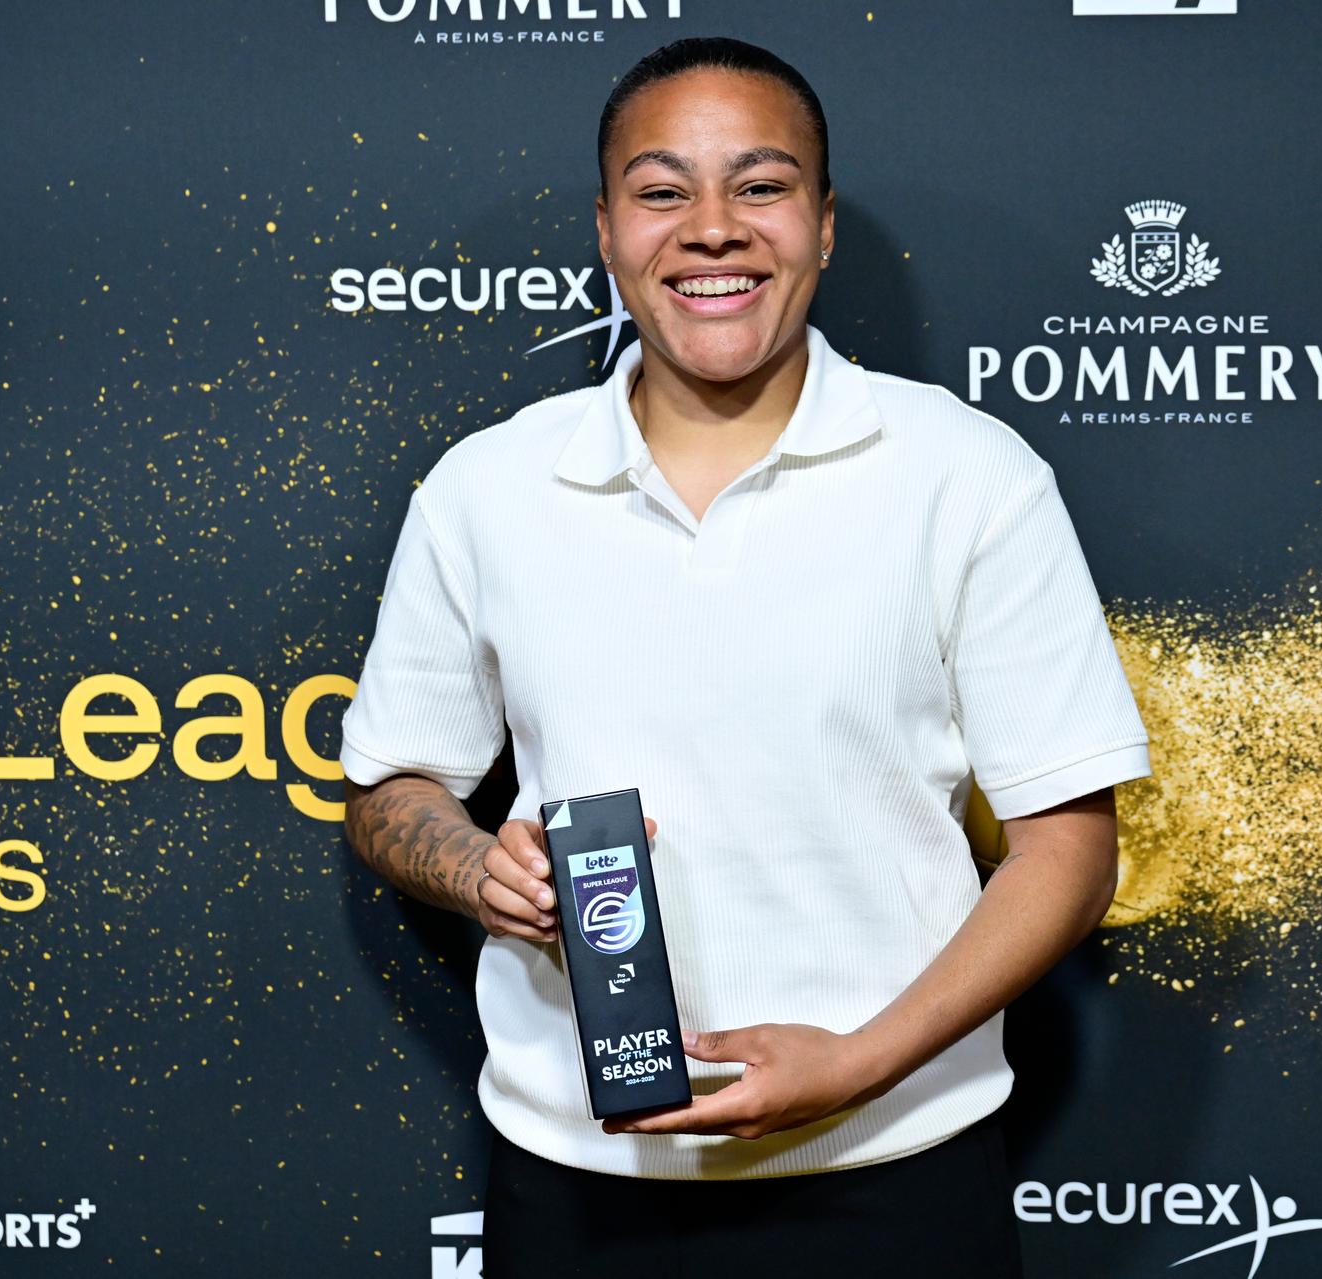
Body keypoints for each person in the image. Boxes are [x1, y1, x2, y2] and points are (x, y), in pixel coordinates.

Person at [338, 36, 1150, 1276]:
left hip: (894, 1167)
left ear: (822, 226)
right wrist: (474, 869)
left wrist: (856, 1065)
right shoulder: (486, 487)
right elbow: (393, 791)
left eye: (760, 186)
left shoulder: (967, 474)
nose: (712, 229)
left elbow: (1069, 850)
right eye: (663, 192)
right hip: (579, 1180)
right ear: (607, 230)